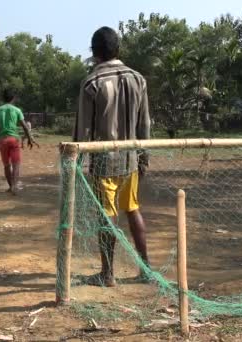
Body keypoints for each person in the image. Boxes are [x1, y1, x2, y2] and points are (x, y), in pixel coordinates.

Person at [74, 26, 151, 287]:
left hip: (104, 161)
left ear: (94, 53)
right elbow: (145, 124)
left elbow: (83, 130)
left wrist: (74, 162)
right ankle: (146, 269)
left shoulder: (91, 82)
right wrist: (143, 158)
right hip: (131, 160)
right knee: (132, 209)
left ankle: (107, 274)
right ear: (118, 49)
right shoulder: (138, 79)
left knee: (106, 217)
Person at [0, 89, 39, 195]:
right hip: (14, 140)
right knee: (16, 164)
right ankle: (14, 186)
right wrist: (30, 139)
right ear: (13, 98)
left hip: (3, 140)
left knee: (6, 165)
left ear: (3, 98)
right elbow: (25, 127)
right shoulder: (17, 110)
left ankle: (10, 186)